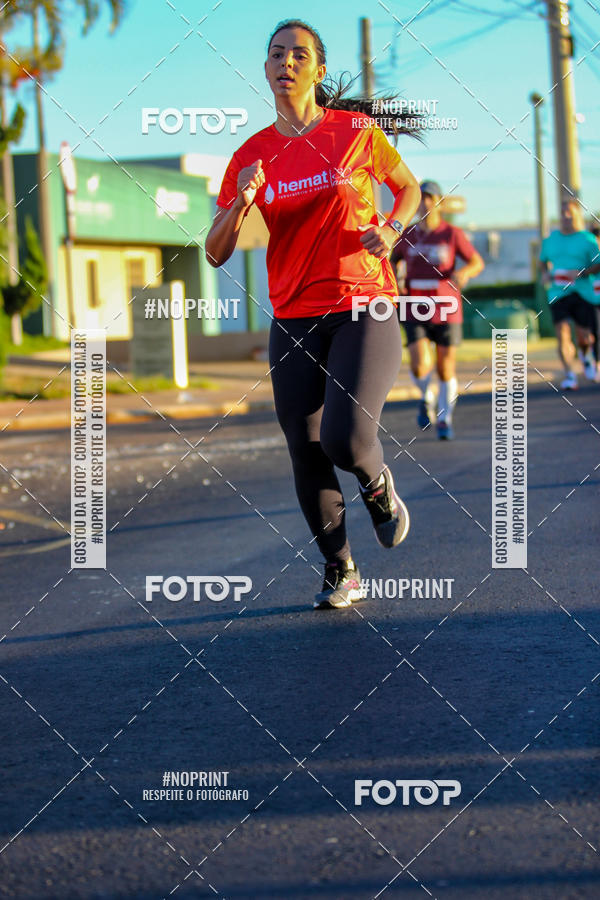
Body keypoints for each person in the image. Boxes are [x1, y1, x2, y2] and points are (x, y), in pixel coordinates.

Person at [205, 19, 421, 610]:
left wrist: (391, 228)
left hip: (363, 302)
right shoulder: (251, 155)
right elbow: (216, 248)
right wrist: (242, 202)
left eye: (299, 55)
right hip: (295, 314)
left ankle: (377, 486)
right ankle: (341, 568)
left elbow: (408, 190)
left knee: (346, 439)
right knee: (304, 448)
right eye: (276, 54)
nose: (286, 63)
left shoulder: (354, 131)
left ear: (318, 71)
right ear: (266, 69)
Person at [390, 181, 484, 440]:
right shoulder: (407, 234)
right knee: (420, 365)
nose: (426, 204)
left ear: (440, 202)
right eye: (422, 199)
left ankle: (445, 418)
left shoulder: (451, 234)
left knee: (445, 368)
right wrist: (395, 278)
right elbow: (391, 261)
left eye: (431, 199)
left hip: (446, 307)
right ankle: (426, 397)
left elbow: (476, 261)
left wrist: (464, 272)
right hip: (414, 306)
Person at [540, 198, 600, 390]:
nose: (566, 217)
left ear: (577, 215)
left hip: (583, 292)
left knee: (584, 337)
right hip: (558, 293)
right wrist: (544, 274)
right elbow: (542, 261)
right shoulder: (550, 240)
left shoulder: (587, 240)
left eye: (570, 213)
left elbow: (598, 265)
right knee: (562, 331)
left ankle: (585, 355)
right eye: (563, 213)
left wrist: (582, 273)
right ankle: (569, 374)